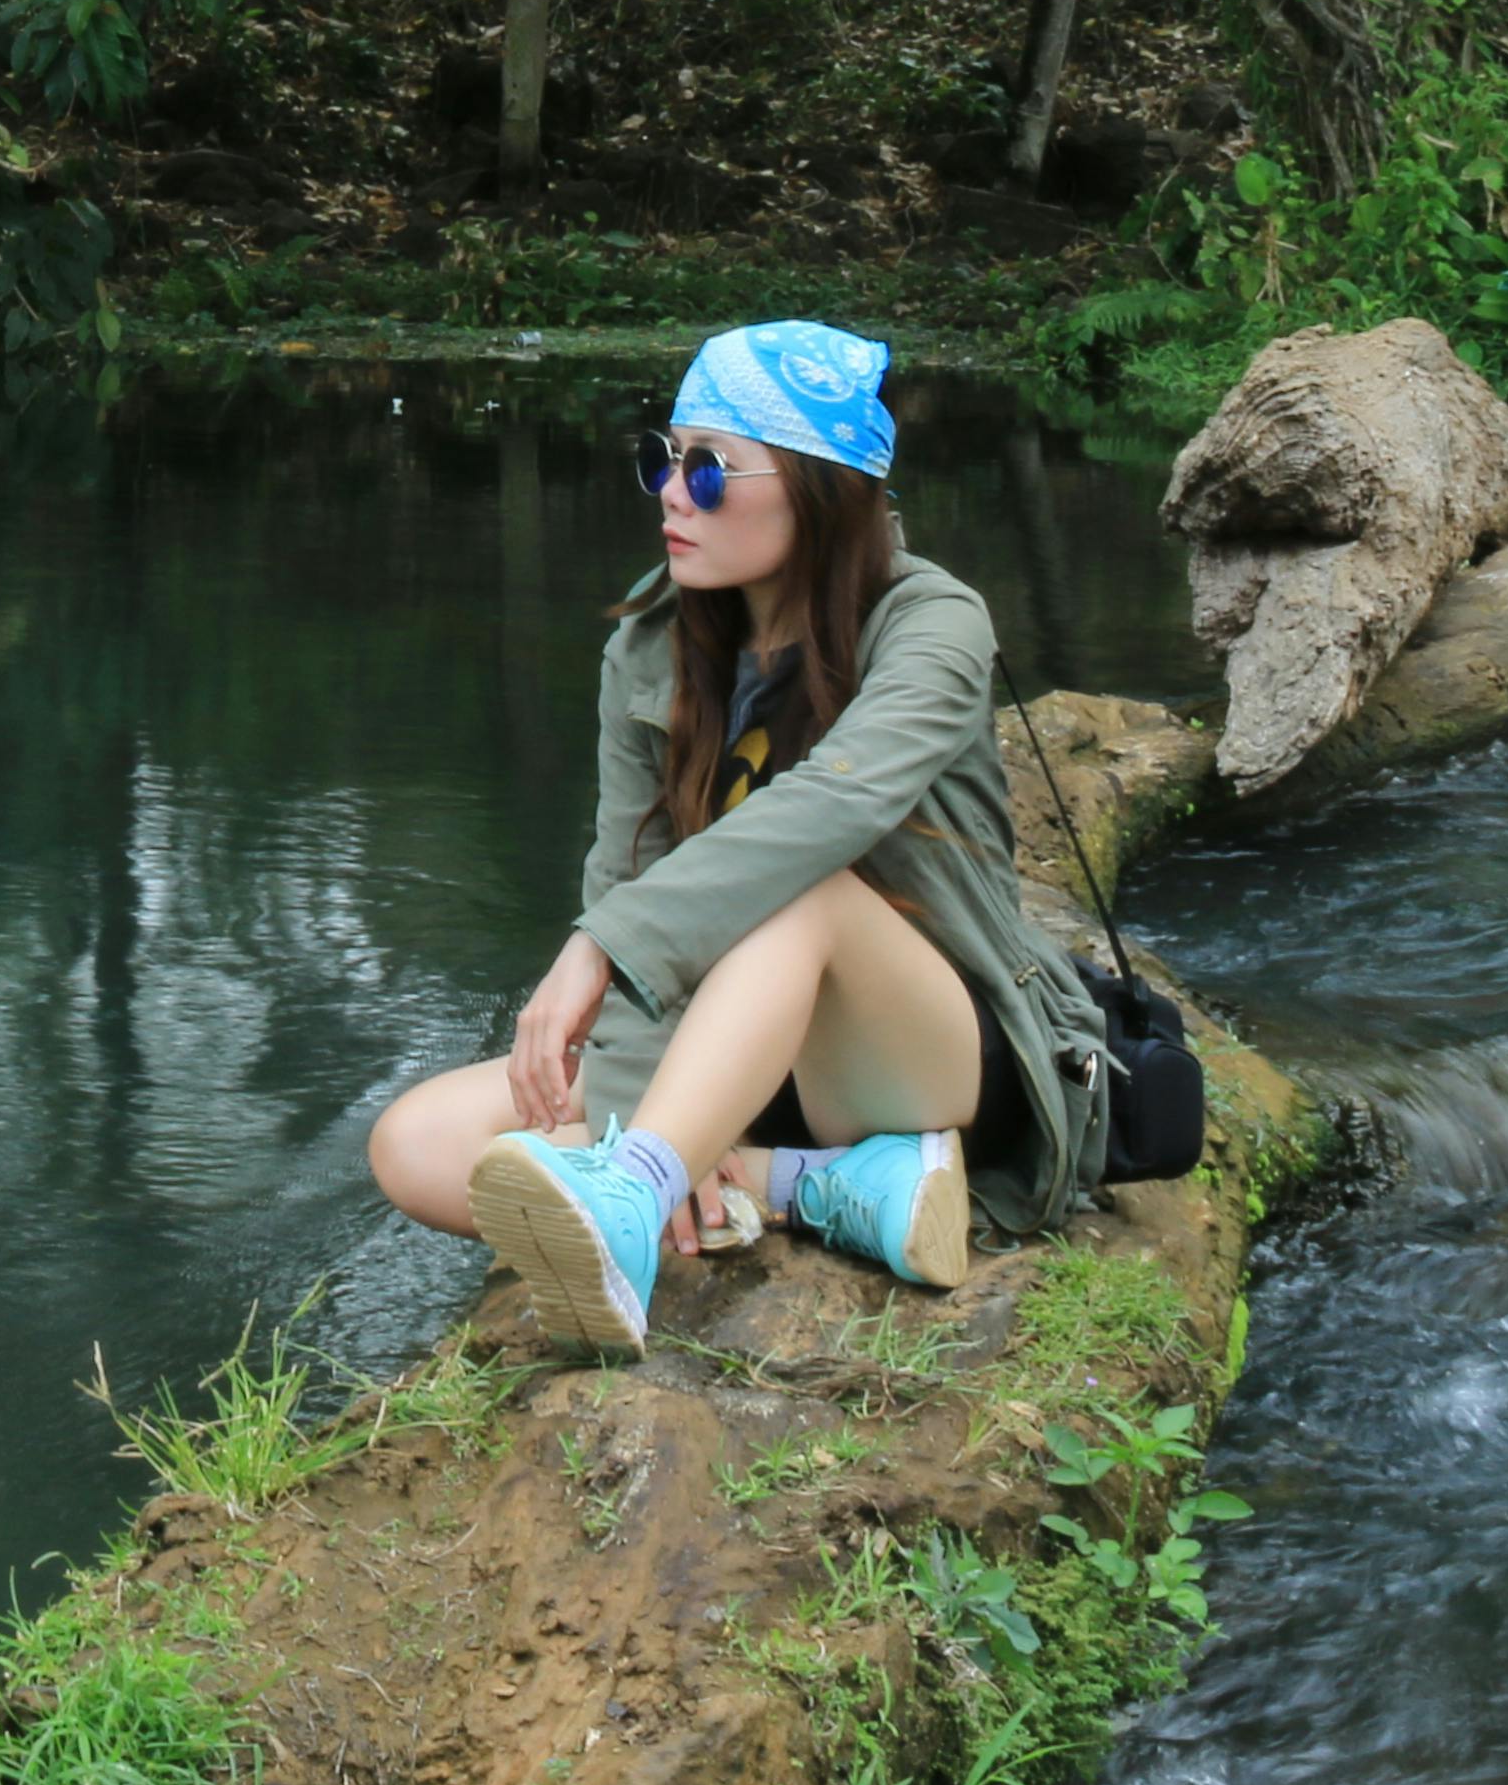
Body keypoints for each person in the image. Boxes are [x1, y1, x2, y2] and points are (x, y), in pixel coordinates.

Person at [365, 319, 1114, 1355]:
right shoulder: (650, 645)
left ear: (819, 488)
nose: (673, 495)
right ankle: (816, 1187)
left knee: (802, 884)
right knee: (416, 1142)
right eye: (662, 460)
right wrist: (642, 1112)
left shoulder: (934, 625)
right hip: (743, 1052)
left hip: (921, 1049)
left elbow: (832, 808)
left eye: (709, 470)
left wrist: (601, 946)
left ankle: (640, 1195)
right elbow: (625, 875)